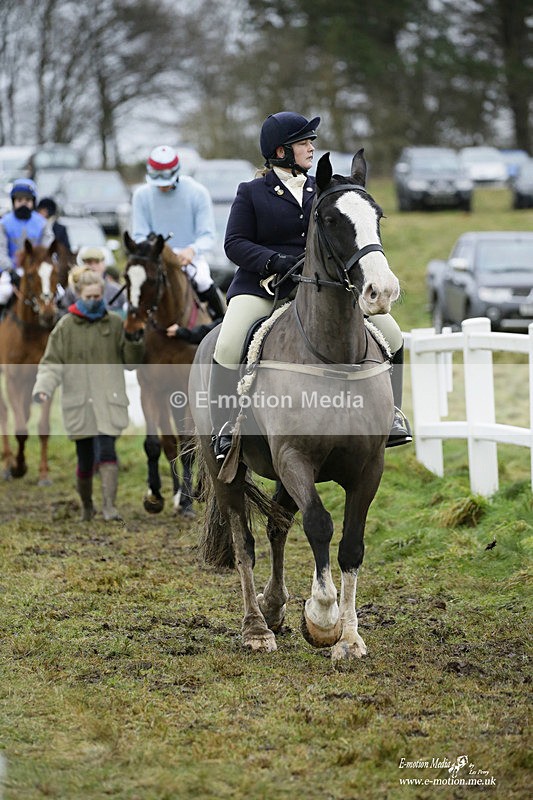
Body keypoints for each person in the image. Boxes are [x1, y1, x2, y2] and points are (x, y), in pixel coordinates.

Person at [210, 111, 412, 461]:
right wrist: (274, 261)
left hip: (324, 286)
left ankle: (392, 414)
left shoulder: (323, 188)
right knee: (228, 344)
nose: (310, 148)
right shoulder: (252, 192)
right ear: (279, 152)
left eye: (311, 142)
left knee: (393, 337)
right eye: (303, 143)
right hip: (266, 285)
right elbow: (234, 243)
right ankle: (225, 426)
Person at [33, 266, 144, 521]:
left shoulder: (116, 323)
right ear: (78, 295)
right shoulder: (65, 327)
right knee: (85, 460)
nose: (94, 302)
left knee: (107, 453)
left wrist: (134, 338)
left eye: (98, 297)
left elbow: (130, 361)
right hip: (79, 403)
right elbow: (51, 363)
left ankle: (109, 507)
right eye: (89, 297)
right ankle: (86, 507)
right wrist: (43, 388)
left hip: (109, 401)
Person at [131, 144, 225, 321]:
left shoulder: (197, 192)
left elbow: (207, 235)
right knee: (134, 287)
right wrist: (156, 251)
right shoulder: (141, 195)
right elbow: (139, 235)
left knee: (204, 281)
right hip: (154, 256)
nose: (162, 187)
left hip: (189, 256)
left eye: (166, 183)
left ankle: (221, 321)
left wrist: (192, 250)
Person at [0, 178, 46, 310]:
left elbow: (46, 248)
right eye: (19, 201)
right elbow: (1, 251)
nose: (23, 204)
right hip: (9, 273)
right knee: (3, 293)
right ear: (13, 202)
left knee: (58, 294)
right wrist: (11, 270)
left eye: (27, 201)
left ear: (33, 202)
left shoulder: (42, 224)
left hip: (37, 271)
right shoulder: (4, 223)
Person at [60, 246, 125, 315]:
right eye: (89, 262)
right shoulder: (72, 290)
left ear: (104, 264)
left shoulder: (116, 290)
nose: (93, 266)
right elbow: (64, 314)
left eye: (97, 262)